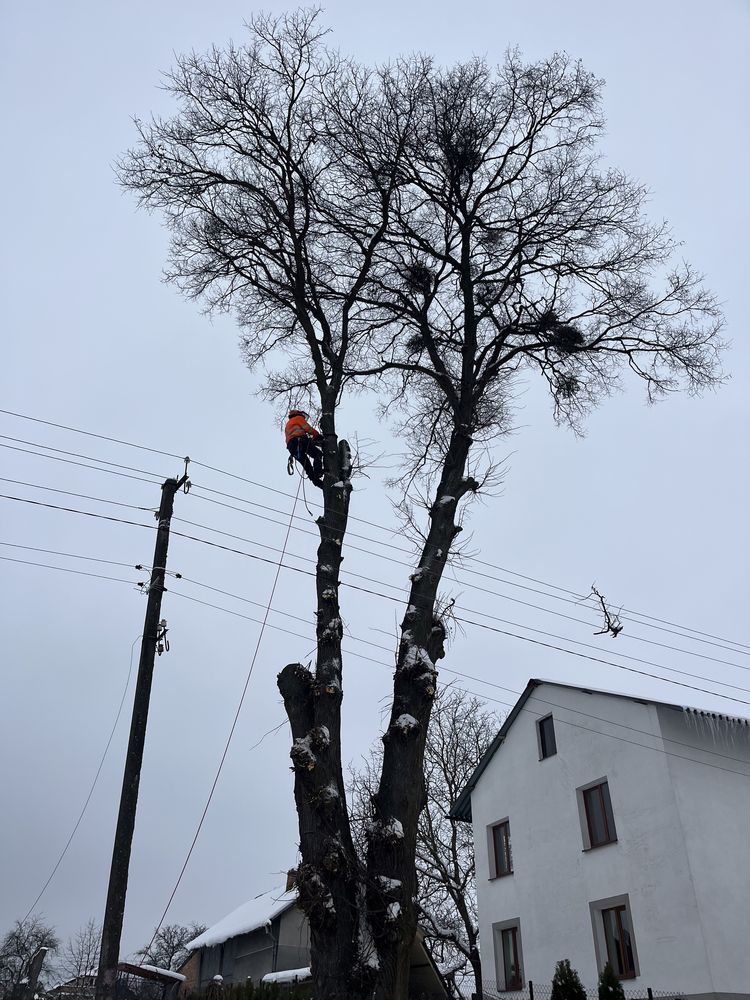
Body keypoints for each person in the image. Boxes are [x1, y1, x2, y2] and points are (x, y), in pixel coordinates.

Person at [285, 408, 324, 488]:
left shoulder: (288, 424)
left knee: (307, 466)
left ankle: (318, 483)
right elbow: (308, 428)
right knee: (317, 454)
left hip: (292, 448)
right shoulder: (298, 418)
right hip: (299, 441)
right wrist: (317, 435)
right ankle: (318, 472)